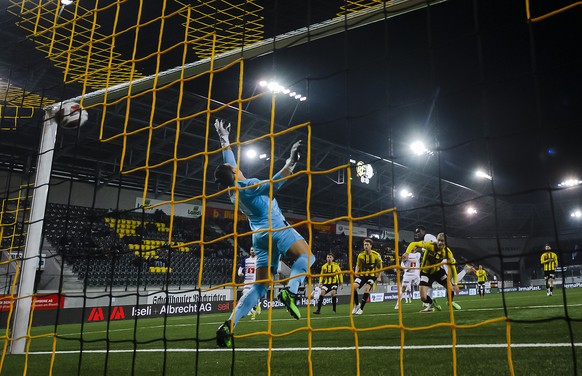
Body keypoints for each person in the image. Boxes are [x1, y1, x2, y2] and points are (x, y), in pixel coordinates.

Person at [213, 119, 315, 348]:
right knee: (308, 257)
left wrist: (224, 139)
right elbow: (275, 183)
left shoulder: (232, 190)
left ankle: (229, 326)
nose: (235, 165)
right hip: (276, 228)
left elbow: (228, 162)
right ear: (234, 172)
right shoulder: (249, 185)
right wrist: (291, 162)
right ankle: (291, 292)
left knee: (260, 286)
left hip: (259, 238)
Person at [404, 232, 461, 312]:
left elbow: (453, 267)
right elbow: (414, 243)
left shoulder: (447, 252)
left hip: (438, 271)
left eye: (442, 241)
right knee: (423, 297)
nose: (440, 242)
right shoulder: (430, 245)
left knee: (451, 288)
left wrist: (455, 283)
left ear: (446, 242)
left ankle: (450, 302)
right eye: (439, 240)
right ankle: (432, 303)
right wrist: (407, 253)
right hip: (425, 272)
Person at [351, 238, 383, 315]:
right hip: (362, 275)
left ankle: (361, 308)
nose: (366, 246)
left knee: (366, 288)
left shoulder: (376, 255)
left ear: (371, 246)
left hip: (372, 276)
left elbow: (380, 265)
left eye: (367, 245)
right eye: (365, 245)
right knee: (353, 287)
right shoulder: (360, 255)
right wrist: (356, 271)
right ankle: (356, 304)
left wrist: (379, 276)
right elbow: (358, 265)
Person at [237, 247, 261, 320]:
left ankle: (257, 305)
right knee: (245, 297)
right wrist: (239, 273)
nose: (252, 251)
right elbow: (240, 268)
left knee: (254, 297)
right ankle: (253, 311)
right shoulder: (246, 260)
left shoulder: (259, 260)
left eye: (254, 250)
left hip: (255, 281)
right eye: (251, 250)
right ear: (249, 251)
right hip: (247, 281)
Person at [394, 245, 421, 309]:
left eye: (415, 247)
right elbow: (402, 264)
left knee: (421, 287)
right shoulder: (405, 255)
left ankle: (425, 302)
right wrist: (406, 269)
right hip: (407, 275)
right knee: (403, 289)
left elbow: (422, 250)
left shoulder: (418, 254)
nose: (414, 248)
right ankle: (398, 303)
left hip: (416, 274)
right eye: (412, 247)